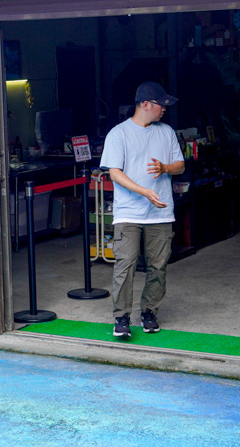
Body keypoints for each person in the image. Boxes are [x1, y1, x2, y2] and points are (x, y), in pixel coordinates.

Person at [99, 81, 185, 338]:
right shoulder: (119, 134)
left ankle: (149, 312)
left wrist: (165, 168)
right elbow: (114, 173)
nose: (164, 109)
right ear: (145, 104)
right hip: (128, 212)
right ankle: (121, 317)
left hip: (160, 212)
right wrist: (144, 192)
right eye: (161, 105)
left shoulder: (166, 132)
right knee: (125, 265)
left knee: (158, 266)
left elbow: (180, 165)